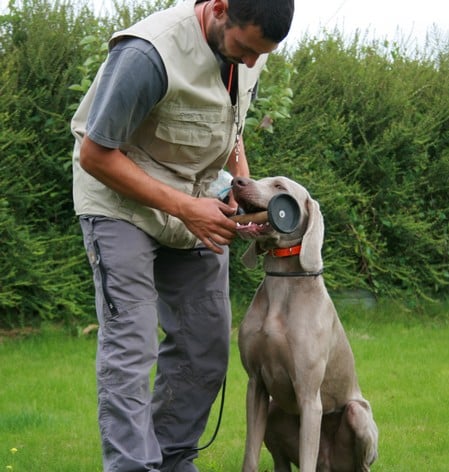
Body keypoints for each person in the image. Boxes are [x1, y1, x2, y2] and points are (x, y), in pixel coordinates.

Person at [70, 0, 294, 471]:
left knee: (205, 345)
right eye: (246, 48)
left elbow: (230, 128)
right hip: (119, 205)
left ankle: (173, 462)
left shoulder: (248, 49)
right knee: (131, 348)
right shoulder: (148, 55)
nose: (252, 62)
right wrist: (186, 208)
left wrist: (242, 189)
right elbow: (94, 154)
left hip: (196, 201)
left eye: (261, 54)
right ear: (218, 9)